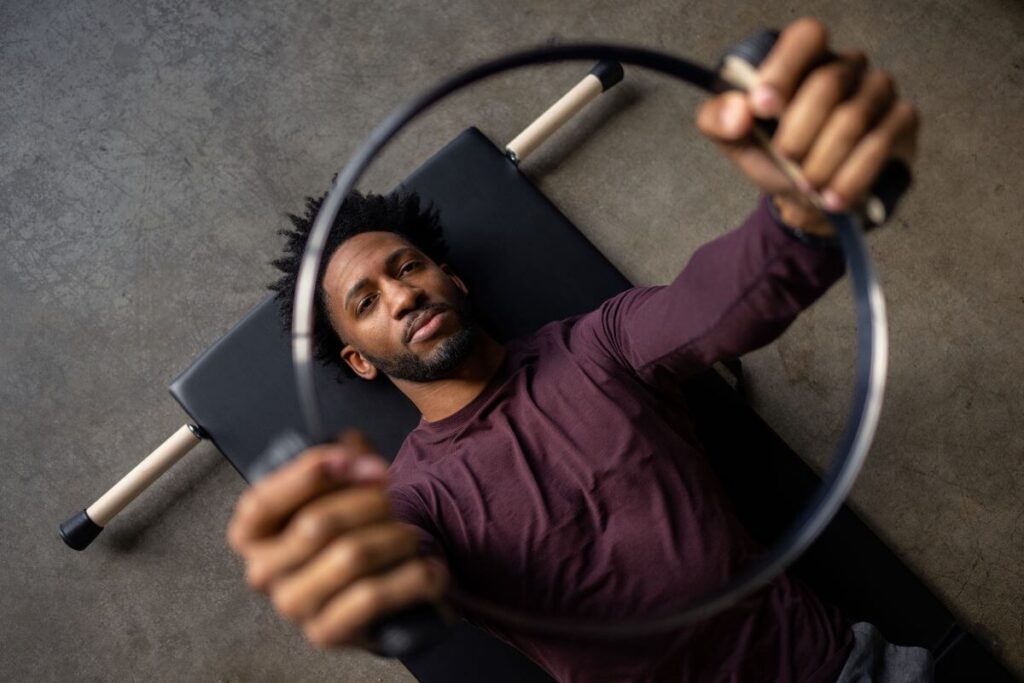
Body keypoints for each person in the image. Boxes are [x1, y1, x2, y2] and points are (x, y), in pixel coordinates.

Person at [227, 17, 926, 682]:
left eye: (407, 267)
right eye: (366, 302)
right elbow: (400, 561)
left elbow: (713, 304)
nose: (402, 295)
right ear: (360, 359)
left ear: (452, 278)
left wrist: (802, 219)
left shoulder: (600, 344)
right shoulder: (415, 497)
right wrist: (360, 575)